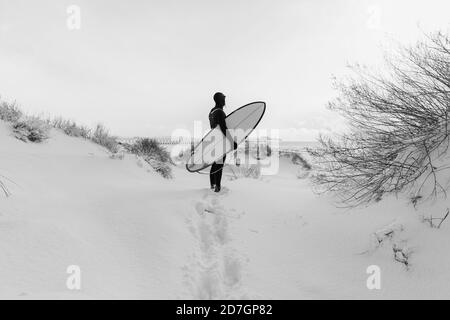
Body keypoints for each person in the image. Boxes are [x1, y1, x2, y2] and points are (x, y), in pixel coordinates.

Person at [209, 92, 237, 192]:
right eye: (223, 99)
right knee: (219, 165)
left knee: (215, 163)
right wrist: (232, 142)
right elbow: (223, 128)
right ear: (220, 100)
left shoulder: (211, 112)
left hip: (214, 141)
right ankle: (218, 187)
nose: (225, 101)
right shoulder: (220, 112)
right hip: (220, 141)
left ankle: (212, 185)